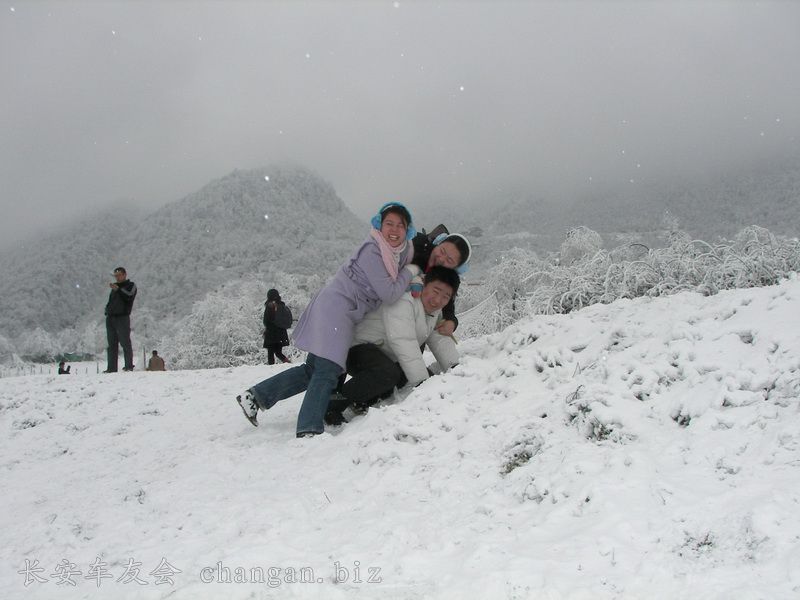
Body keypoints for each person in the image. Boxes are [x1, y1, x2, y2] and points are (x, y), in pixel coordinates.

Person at [236, 202, 422, 437]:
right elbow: (389, 293)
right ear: (379, 225)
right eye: (389, 224)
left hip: (339, 308)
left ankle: (254, 397)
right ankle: (308, 429)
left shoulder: (395, 254)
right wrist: (410, 272)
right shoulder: (373, 250)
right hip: (337, 309)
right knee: (328, 370)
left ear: (407, 229)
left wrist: (414, 278)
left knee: (313, 370)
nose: (394, 230)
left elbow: (395, 282)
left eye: (400, 225)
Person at [325, 266, 460, 425]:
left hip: (382, 353)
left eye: (445, 297)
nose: (437, 300)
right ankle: (332, 404)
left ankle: (362, 400)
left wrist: (454, 366)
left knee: (403, 376)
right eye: (435, 291)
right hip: (356, 349)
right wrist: (423, 381)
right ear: (425, 283)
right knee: (389, 373)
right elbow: (404, 341)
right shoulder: (404, 299)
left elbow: (439, 337)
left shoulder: (434, 311)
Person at [409, 226, 472, 337]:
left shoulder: (446, 278)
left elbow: (448, 308)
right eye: (442, 251)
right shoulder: (415, 246)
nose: (441, 259)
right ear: (438, 243)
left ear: (454, 269)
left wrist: (451, 322)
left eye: (449, 260)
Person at [104, 266, 137, 373]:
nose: (117, 278)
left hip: (122, 317)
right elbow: (111, 301)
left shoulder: (131, 285)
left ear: (124, 275)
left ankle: (128, 366)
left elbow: (129, 296)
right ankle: (111, 368)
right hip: (110, 317)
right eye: (116, 276)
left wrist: (118, 290)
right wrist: (107, 310)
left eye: (119, 275)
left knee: (125, 342)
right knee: (111, 344)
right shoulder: (115, 287)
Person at [263, 288, 291, 365]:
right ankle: (289, 363)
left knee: (270, 353)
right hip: (281, 333)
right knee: (278, 353)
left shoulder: (269, 305)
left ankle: (271, 368)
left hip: (271, 333)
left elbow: (266, 321)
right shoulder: (281, 305)